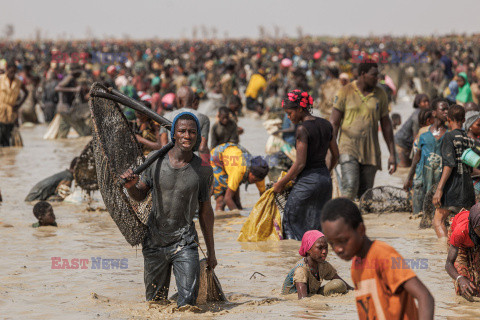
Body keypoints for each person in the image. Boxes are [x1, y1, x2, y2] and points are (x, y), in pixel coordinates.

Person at [120, 112, 216, 307]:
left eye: (192, 132)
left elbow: (206, 211)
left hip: (185, 242)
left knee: (188, 303)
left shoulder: (203, 169)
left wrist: (211, 252)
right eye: (182, 131)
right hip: (155, 242)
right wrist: (131, 186)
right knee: (155, 304)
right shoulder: (155, 161)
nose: (187, 136)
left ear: (197, 136)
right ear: (173, 134)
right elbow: (140, 195)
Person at [321, 198, 435, 320]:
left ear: (360, 230)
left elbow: (424, 296)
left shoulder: (383, 255)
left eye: (343, 241)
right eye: (332, 243)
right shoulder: (356, 265)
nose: (338, 249)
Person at [273, 90, 339, 240]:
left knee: (291, 222)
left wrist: (280, 184)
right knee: (316, 227)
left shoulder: (302, 129)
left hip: (307, 182)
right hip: (324, 182)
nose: (289, 117)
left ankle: (294, 259)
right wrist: (326, 171)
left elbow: (300, 163)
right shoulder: (326, 124)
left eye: (290, 113)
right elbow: (335, 155)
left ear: (300, 109)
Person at [330, 62, 396, 200]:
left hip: (370, 150)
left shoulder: (380, 94)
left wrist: (392, 153)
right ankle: (345, 218)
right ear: (362, 74)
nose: (376, 78)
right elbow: (334, 123)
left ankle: (363, 220)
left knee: (366, 194)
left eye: (377, 75)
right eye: (373, 75)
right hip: (348, 146)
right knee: (350, 187)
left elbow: (386, 125)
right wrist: (331, 149)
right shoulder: (345, 91)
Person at [433, 105, 477, 239]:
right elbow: (471, 167)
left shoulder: (449, 137)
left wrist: (439, 189)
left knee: (438, 221)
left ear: (448, 119)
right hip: (468, 189)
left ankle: (444, 250)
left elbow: (449, 164)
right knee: (465, 224)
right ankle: (464, 253)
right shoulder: (470, 140)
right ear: (464, 119)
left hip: (452, 187)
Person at [404, 99, 449, 215]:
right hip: (422, 181)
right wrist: (409, 178)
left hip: (438, 184)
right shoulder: (423, 134)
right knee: (418, 216)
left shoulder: (449, 135)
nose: (446, 112)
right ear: (434, 113)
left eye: (447, 109)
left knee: (435, 216)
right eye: (443, 109)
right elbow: (416, 158)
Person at [281, 230, 352, 298]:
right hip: (293, 298)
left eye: (326, 247)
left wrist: (355, 291)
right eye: (320, 248)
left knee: (339, 284)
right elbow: (302, 300)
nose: (324, 251)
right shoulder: (301, 270)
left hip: (312, 294)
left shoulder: (323, 265)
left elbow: (341, 282)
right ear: (308, 249)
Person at [210, 143, 268, 211]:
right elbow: (227, 198)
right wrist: (239, 217)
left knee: (237, 202)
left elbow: (264, 197)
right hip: (217, 158)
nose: (255, 182)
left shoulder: (260, 173)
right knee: (221, 200)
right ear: (250, 173)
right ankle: (218, 218)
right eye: (254, 180)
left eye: (258, 181)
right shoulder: (239, 171)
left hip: (233, 156)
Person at [159, 86, 210, 161]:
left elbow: (163, 145)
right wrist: (206, 168)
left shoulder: (166, 116)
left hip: (172, 160)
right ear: (193, 100)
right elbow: (202, 148)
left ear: (178, 100)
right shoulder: (203, 118)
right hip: (194, 162)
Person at [445, 204, 480, 301]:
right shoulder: (460, 231)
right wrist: (459, 278)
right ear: (473, 225)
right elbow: (448, 264)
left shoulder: (477, 229)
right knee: (464, 288)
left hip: (476, 243)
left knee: (477, 287)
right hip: (459, 244)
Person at [394, 94, 430, 167]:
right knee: (403, 169)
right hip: (401, 144)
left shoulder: (423, 114)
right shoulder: (417, 116)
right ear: (418, 103)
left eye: (428, 101)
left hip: (407, 144)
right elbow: (416, 137)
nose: (427, 103)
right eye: (424, 101)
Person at [0, 60, 28, 147]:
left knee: (8, 136)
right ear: (7, 70)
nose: (12, 74)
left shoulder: (18, 82)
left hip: (11, 111)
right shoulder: (1, 79)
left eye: (14, 72)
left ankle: (8, 158)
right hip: (0, 109)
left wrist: (18, 105)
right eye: (11, 71)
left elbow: (26, 93)